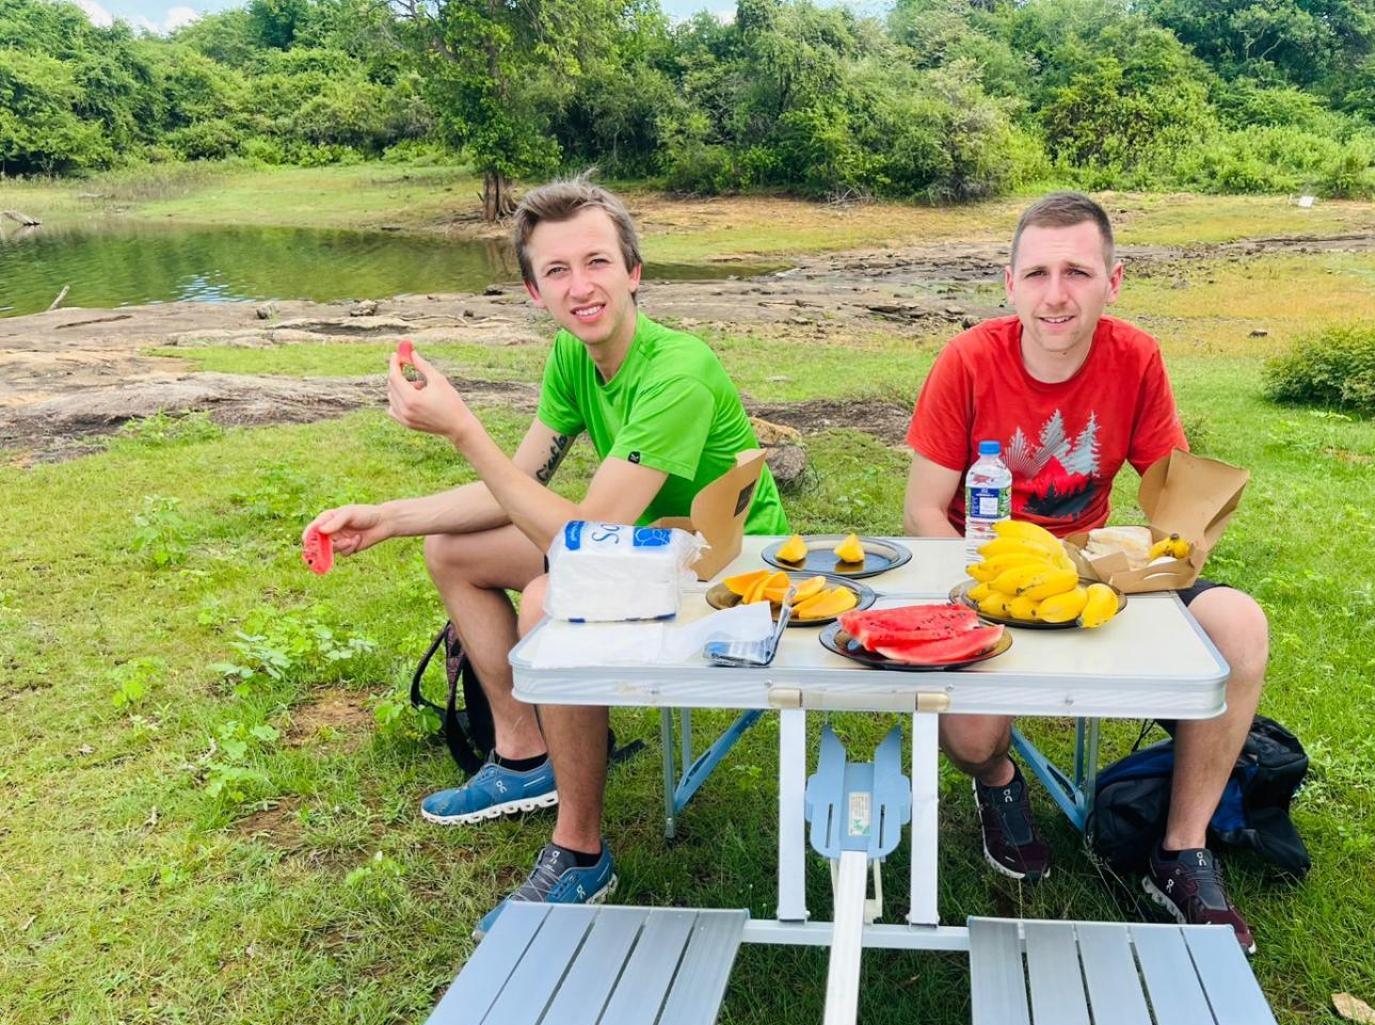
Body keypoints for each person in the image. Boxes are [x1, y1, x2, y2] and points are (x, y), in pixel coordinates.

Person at [305, 176, 787, 920]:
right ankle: (526, 756)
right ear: (534, 292)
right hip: (641, 552)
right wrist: (390, 517)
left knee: (546, 599)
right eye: (556, 271)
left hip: (728, 567)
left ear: (635, 272)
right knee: (452, 553)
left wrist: (465, 429)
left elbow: (578, 541)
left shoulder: (677, 373)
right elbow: (524, 482)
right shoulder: (573, 356)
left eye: (597, 262)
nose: (580, 287)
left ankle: (581, 853)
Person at [902, 191, 1268, 953]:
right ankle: (1000, 783)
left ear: (1114, 280)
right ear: (1010, 284)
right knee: (969, 736)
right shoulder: (968, 360)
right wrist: (972, 600)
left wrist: (1175, 551)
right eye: (1037, 273)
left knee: (1238, 623)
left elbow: (1173, 489)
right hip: (990, 579)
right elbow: (924, 513)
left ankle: (1181, 851)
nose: (1056, 294)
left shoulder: (1135, 357)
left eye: (1077, 271)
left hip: (1096, 576)